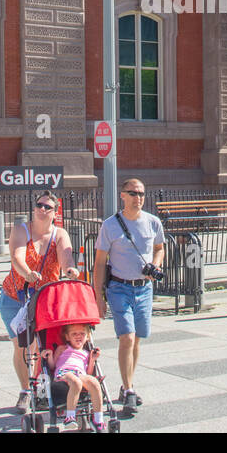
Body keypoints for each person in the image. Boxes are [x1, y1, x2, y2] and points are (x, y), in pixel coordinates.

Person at [0, 192, 79, 413]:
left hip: (44, 300)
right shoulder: (21, 230)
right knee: (23, 346)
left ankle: (39, 389)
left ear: (55, 213)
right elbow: (17, 257)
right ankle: (25, 391)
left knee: (41, 346)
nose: (42, 210)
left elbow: (66, 258)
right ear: (34, 208)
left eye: (48, 207)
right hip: (15, 298)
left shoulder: (59, 234)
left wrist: (70, 270)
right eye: (39, 205)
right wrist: (27, 273)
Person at [92, 177, 164, 413]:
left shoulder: (153, 222)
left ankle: (126, 386)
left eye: (141, 193)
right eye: (133, 193)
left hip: (144, 288)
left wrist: (156, 264)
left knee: (137, 339)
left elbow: (160, 248)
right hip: (119, 288)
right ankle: (129, 389)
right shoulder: (110, 225)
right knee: (127, 337)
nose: (138, 198)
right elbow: (100, 262)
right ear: (122, 195)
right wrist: (98, 297)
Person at [42, 324, 105, 432]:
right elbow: (53, 366)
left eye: (82, 333)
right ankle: (70, 417)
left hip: (80, 374)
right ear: (67, 337)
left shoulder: (86, 353)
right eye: (74, 334)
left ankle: (98, 419)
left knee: (94, 382)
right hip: (64, 374)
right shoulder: (63, 348)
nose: (78, 336)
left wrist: (93, 360)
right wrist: (50, 355)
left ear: (87, 336)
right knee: (76, 382)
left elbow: (89, 372)